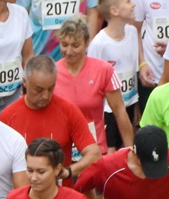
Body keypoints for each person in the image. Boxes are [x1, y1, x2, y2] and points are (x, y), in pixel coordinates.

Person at [0, 57, 100, 179]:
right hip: (22, 194)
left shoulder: (68, 111)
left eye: (51, 88)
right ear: (24, 82)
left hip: (60, 193)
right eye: (39, 90)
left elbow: (94, 154)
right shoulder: (8, 116)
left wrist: (68, 172)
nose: (45, 96)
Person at [52, 17, 131, 151]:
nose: (69, 51)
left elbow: (119, 111)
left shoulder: (104, 70)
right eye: (64, 45)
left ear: (87, 43)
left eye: (76, 45)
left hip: (95, 149)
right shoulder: (51, 72)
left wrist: (130, 150)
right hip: (62, 151)